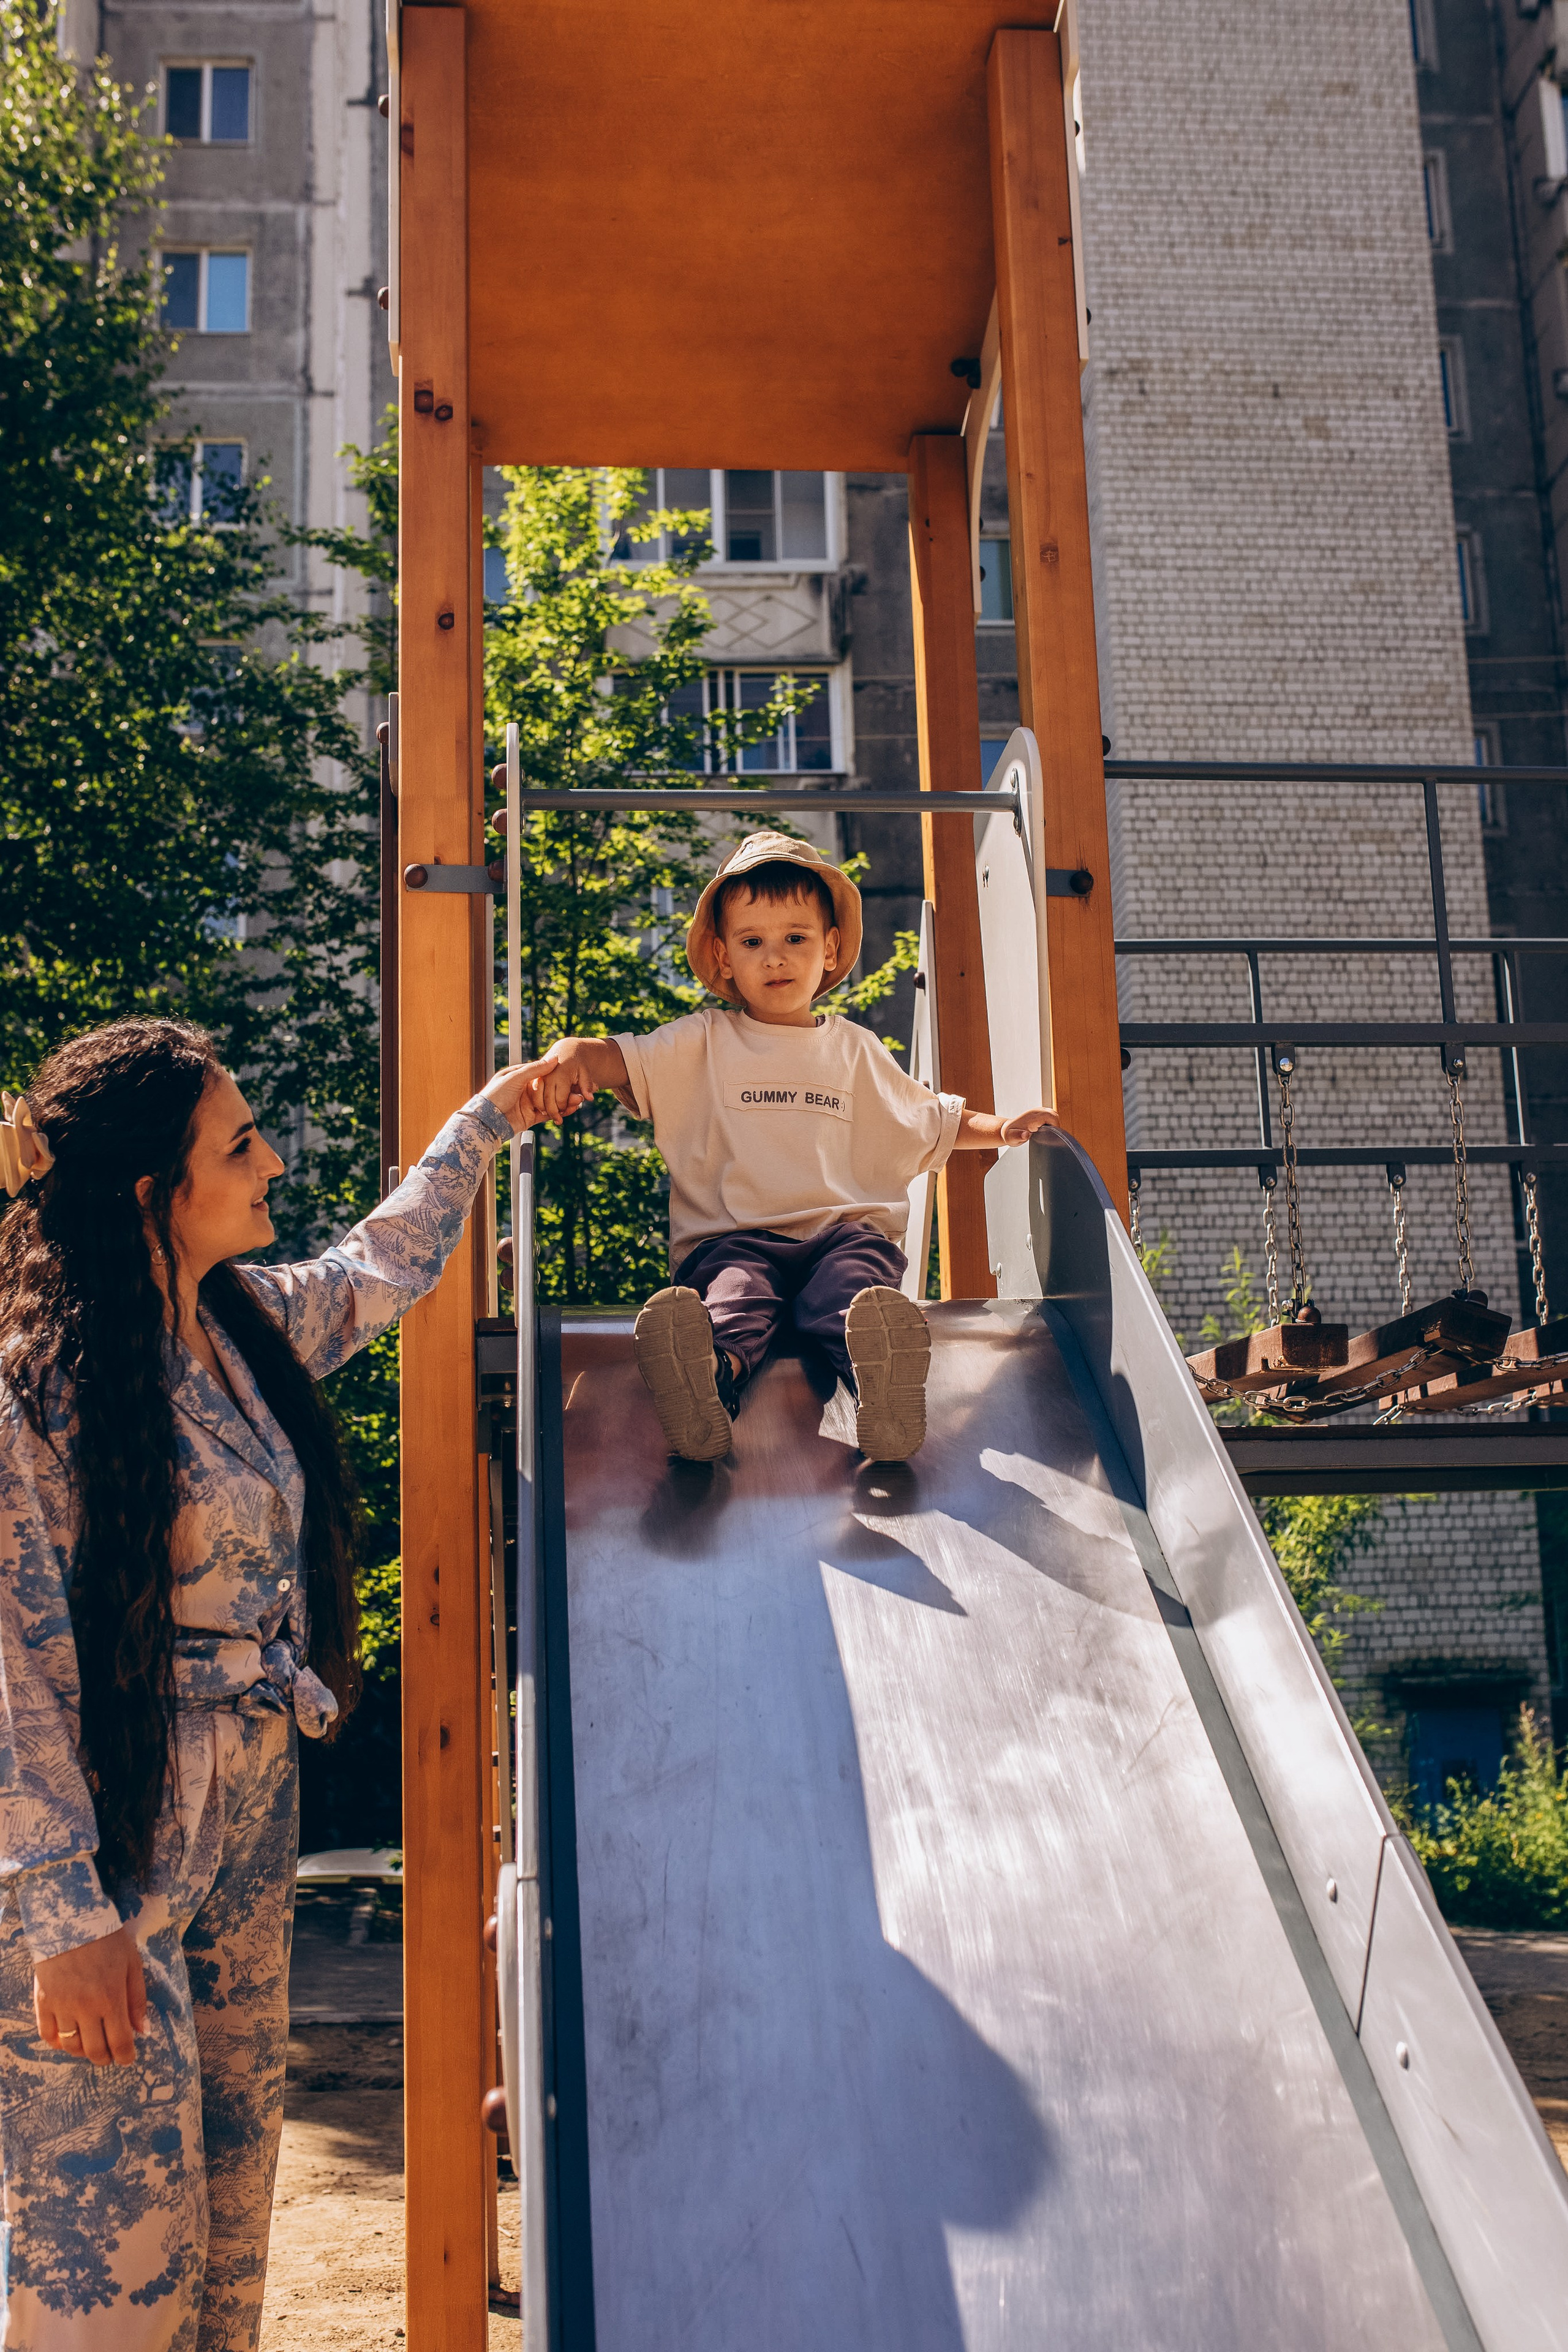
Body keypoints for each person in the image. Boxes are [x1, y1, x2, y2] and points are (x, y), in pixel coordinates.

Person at [0, 1017, 543, 2352]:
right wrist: (61, 1910)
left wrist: (488, 1116)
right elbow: (10, 1662)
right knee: (109, 2267)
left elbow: (383, 1261)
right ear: (150, 1193)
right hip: (102, 1848)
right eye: (240, 1145)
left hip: (247, 1807)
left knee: (230, 2222)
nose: (274, 1163)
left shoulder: (240, 1330)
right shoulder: (37, 1386)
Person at [530, 830, 1058, 1464]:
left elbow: (929, 1119)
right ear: (724, 958)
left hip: (841, 1233)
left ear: (829, 949)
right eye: (753, 943)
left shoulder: (855, 1050)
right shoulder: (701, 1042)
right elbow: (615, 1058)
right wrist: (569, 1058)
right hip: (733, 1239)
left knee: (853, 1294)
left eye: (795, 939)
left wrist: (1002, 1130)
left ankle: (880, 1390)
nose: (775, 958)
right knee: (733, 1298)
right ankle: (706, 1383)